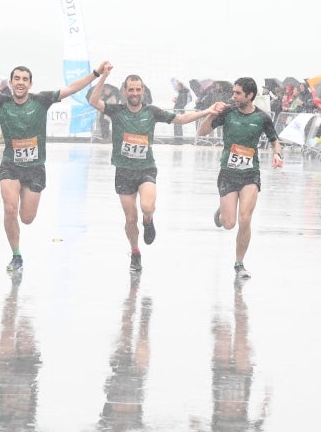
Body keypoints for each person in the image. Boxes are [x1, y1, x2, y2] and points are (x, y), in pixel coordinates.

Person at [0, 46, 105, 272]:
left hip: (35, 168)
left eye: (24, 79)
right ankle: (16, 255)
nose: (20, 82)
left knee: (26, 218)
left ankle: (20, 229)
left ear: (30, 84)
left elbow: (71, 88)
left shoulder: (42, 100)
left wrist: (96, 73)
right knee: (10, 209)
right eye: (16, 78)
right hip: (10, 165)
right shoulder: (1, 102)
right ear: (10, 83)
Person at [89, 64, 222, 273]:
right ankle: (135, 252)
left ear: (143, 91)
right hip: (123, 171)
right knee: (130, 218)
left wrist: (207, 111)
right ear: (125, 91)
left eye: (138, 89)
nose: (134, 93)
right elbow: (93, 101)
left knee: (147, 207)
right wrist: (103, 77)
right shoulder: (117, 111)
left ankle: (148, 220)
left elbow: (181, 118)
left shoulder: (151, 111)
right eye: (131, 89)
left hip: (145, 169)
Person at [197, 77, 282, 279]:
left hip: (250, 174)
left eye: (237, 93)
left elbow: (275, 141)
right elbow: (202, 132)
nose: (233, 96)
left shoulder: (262, 118)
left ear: (249, 95)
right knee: (229, 223)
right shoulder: (227, 112)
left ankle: (239, 263)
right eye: (233, 92)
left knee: (245, 219)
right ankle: (224, 208)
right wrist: (211, 113)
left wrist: (278, 154)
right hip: (228, 173)